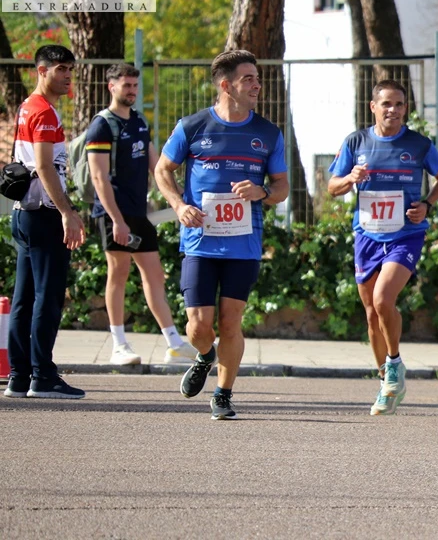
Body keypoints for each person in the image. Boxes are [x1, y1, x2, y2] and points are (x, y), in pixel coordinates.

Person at [154, 50, 289, 420]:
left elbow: (282, 187)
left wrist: (262, 193)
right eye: (248, 79)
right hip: (200, 241)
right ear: (225, 85)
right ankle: (204, 354)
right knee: (199, 326)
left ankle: (223, 393)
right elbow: (163, 170)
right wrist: (179, 206)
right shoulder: (193, 126)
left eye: (257, 78)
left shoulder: (267, 133)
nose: (257, 85)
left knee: (231, 321)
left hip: (243, 243)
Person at [327, 80, 438, 415]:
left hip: (406, 234)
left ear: (405, 108)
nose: (392, 110)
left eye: (399, 104)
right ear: (373, 107)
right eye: (386, 104)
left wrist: (428, 204)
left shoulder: (419, 144)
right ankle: (386, 383)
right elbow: (332, 187)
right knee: (371, 313)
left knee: (384, 299)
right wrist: (351, 178)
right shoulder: (356, 142)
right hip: (367, 235)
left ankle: (394, 364)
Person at [86, 63, 197, 366]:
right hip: (113, 214)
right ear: (111, 87)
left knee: (154, 274)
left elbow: (155, 166)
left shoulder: (138, 121)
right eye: (126, 86)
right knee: (118, 273)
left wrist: (179, 202)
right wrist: (117, 221)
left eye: (135, 86)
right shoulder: (102, 125)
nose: (132, 91)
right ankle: (119, 345)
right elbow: (98, 179)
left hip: (140, 213)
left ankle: (174, 343)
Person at [4, 45, 87, 400]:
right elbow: (44, 166)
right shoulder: (44, 112)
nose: (68, 75)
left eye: (70, 68)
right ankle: (43, 376)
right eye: (61, 69)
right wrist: (67, 211)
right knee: (47, 298)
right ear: (42, 70)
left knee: (24, 299)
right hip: (43, 214)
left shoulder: (27, 106)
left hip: (24, 214)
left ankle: (19, 377)